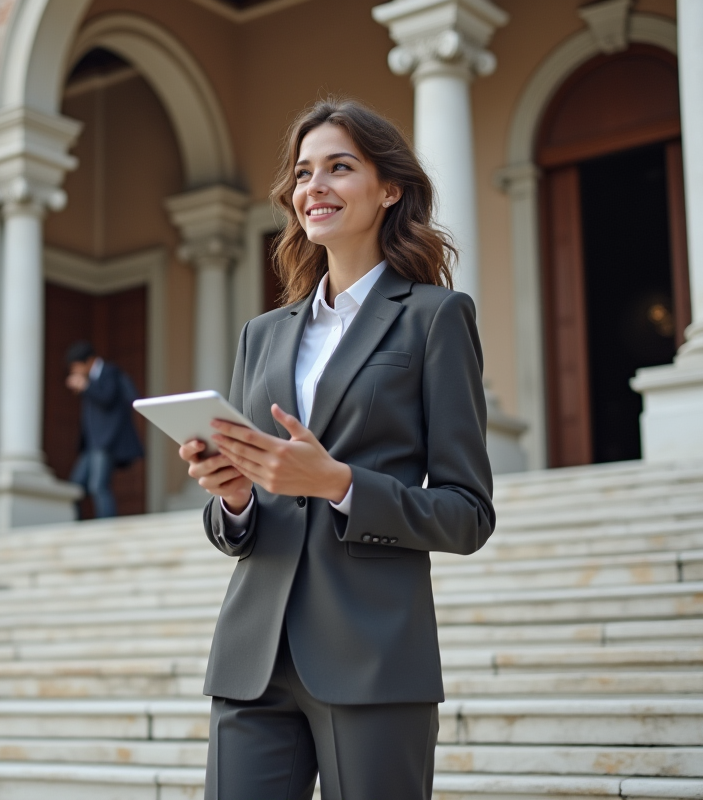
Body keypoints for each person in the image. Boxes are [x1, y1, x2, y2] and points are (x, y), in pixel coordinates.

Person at [179, 98, 495, 800]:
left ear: (389, 189)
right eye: (303, 173)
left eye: (339, 167)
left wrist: (338, 482)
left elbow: (468, 513)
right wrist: (232, 496)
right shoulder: (262, 334)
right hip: (252, 656)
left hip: (373, 654)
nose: (313, 186)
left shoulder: (435, 318)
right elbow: (239, 523)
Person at [65, 340, 144, 518]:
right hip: (92, 444)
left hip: (106, 441)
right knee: (75, 486)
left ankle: (107, 526)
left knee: (98, 486)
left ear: (88, 361)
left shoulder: (110, 372)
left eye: (77, 367)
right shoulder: (91, 380)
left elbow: (107, 398)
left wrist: (85, 386)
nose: (75, 372)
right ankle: (75, 524)